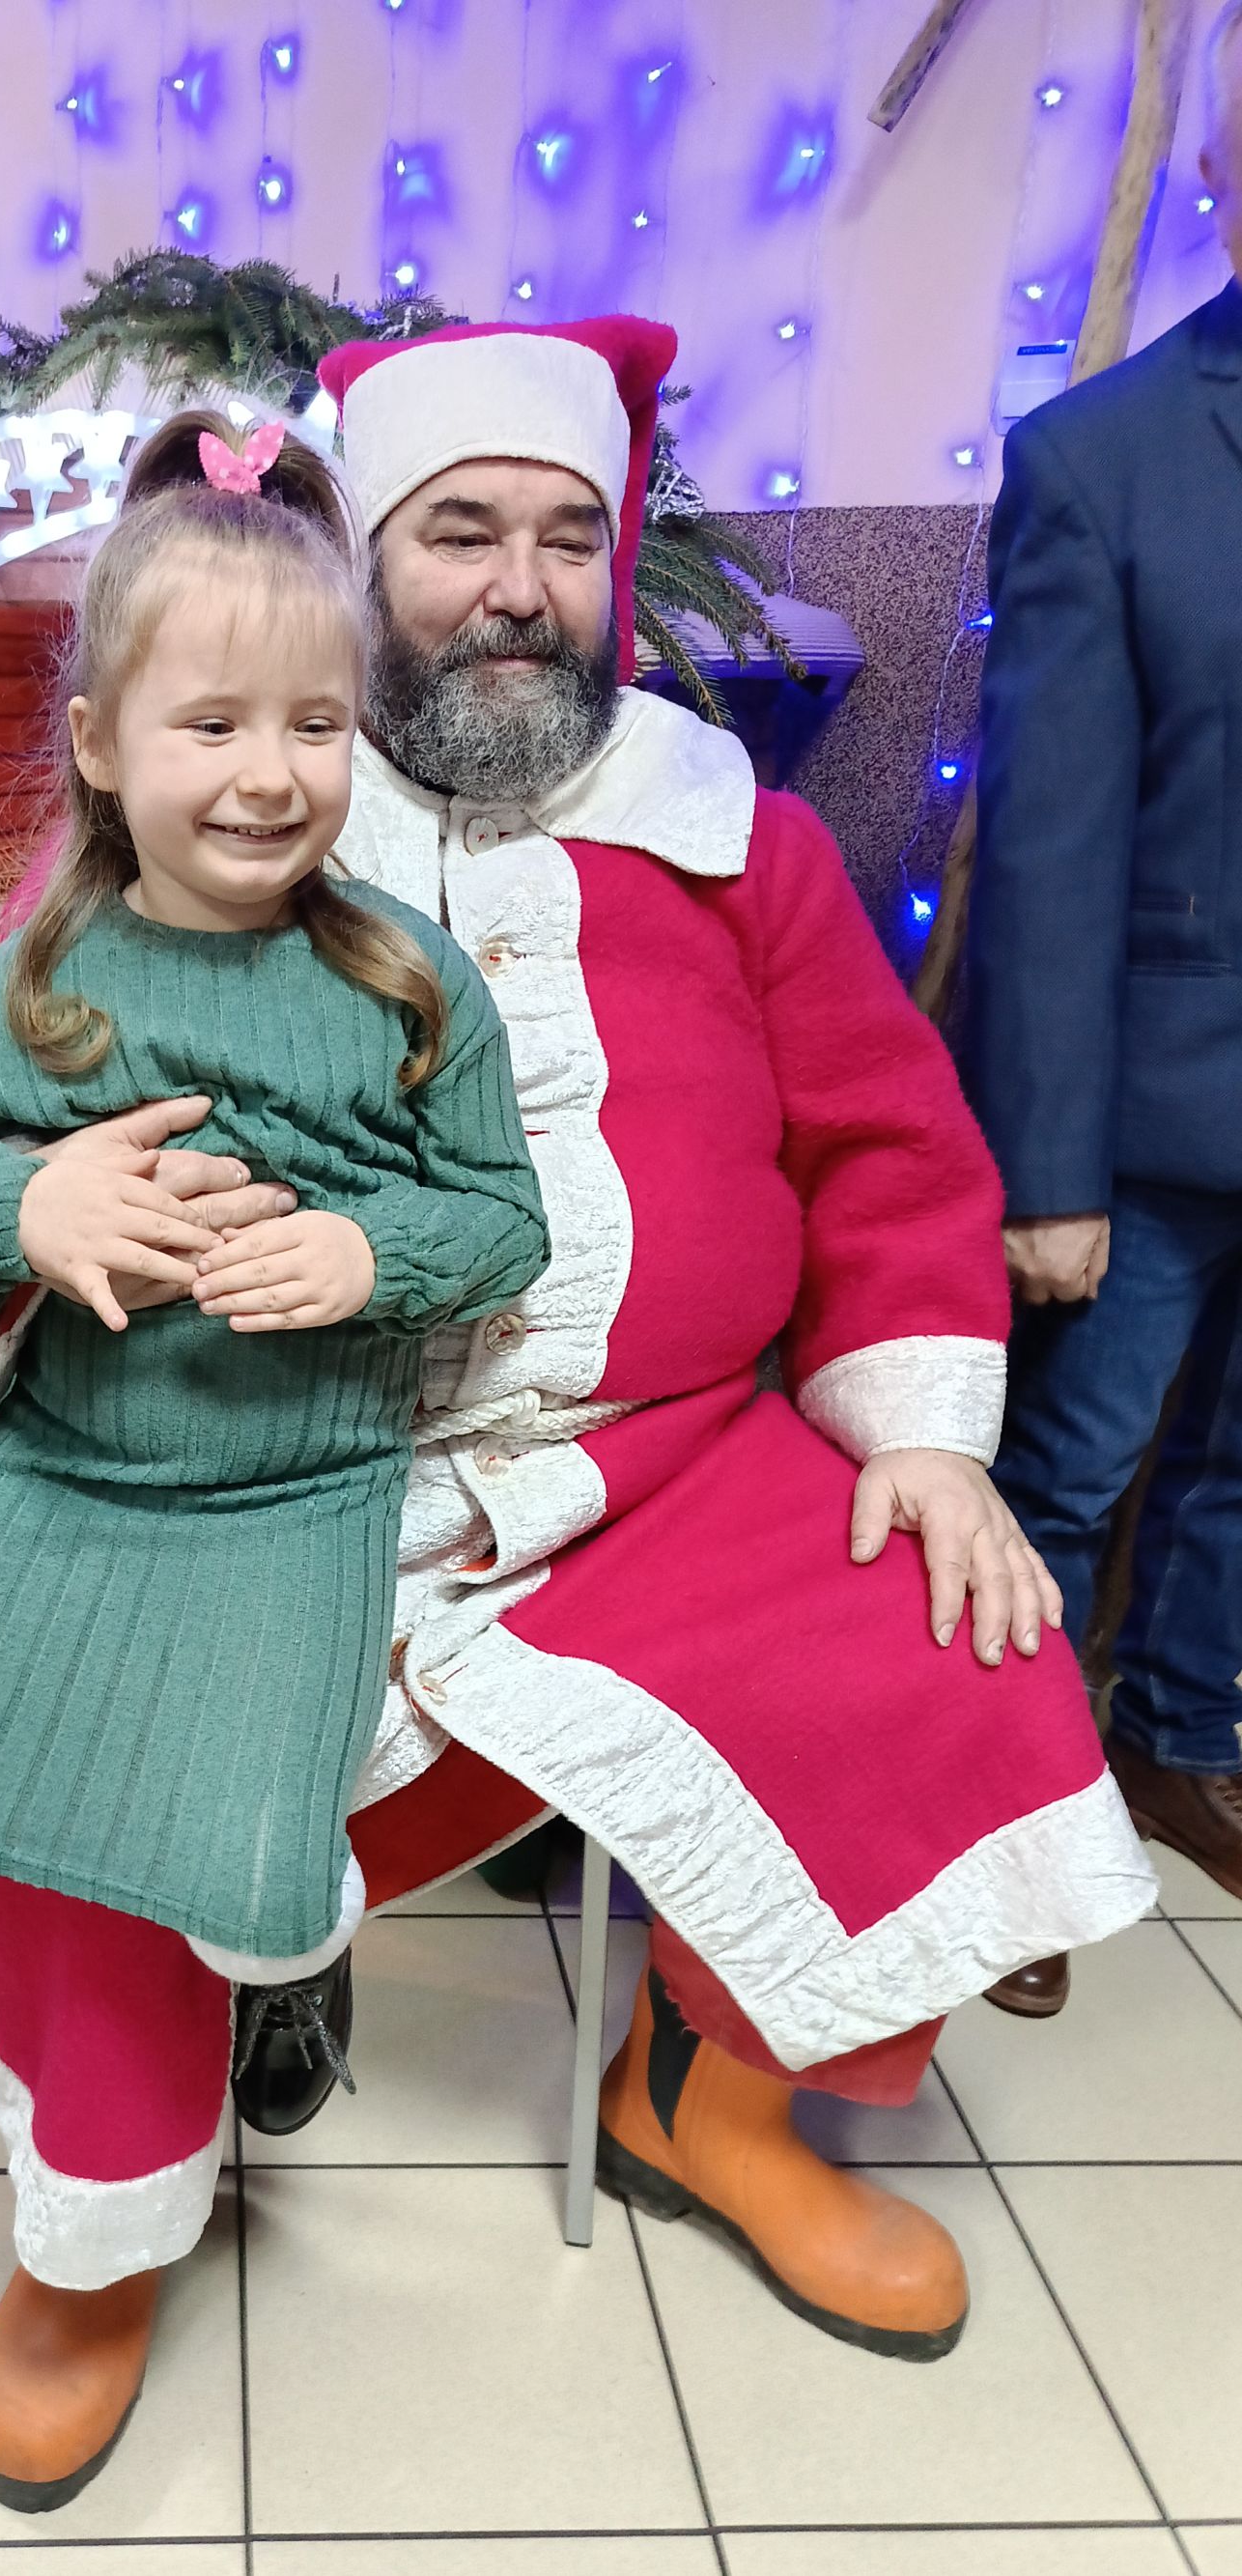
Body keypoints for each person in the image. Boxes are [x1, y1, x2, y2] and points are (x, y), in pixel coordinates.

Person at [0, 315, 1156, 2395]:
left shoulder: (738, 841)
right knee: (84, 1763)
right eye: (460, 531)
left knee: (945, 1637)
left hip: (664, 1462)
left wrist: (917, 1429)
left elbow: (888, 1143)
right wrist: (40, 1200)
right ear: (361, 559)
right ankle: (97, 2230)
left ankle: (708, 2108)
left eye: (567, 536)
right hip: (269, 1460)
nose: (521, 586)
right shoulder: (228, 802)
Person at [0, 410, 548, 2510]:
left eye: (314, 721)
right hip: (67, 1468)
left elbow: (505, 1224)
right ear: (103, 746)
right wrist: (25, 1209)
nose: (269, 772)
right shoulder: (37, 982)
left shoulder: (408, 987)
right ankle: (73, 2179)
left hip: (291, 1495)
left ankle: (274, 1979)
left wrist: (368, 1252)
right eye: (211, 722)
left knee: (235, 1835)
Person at [965, 3, 1242, 2022]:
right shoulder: (1101, 457)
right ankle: (1008, 1808)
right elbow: (1049, 846)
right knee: (1059, 1473)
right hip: (1143, 1114)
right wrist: (1042, 1168)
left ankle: (1180, 1732)